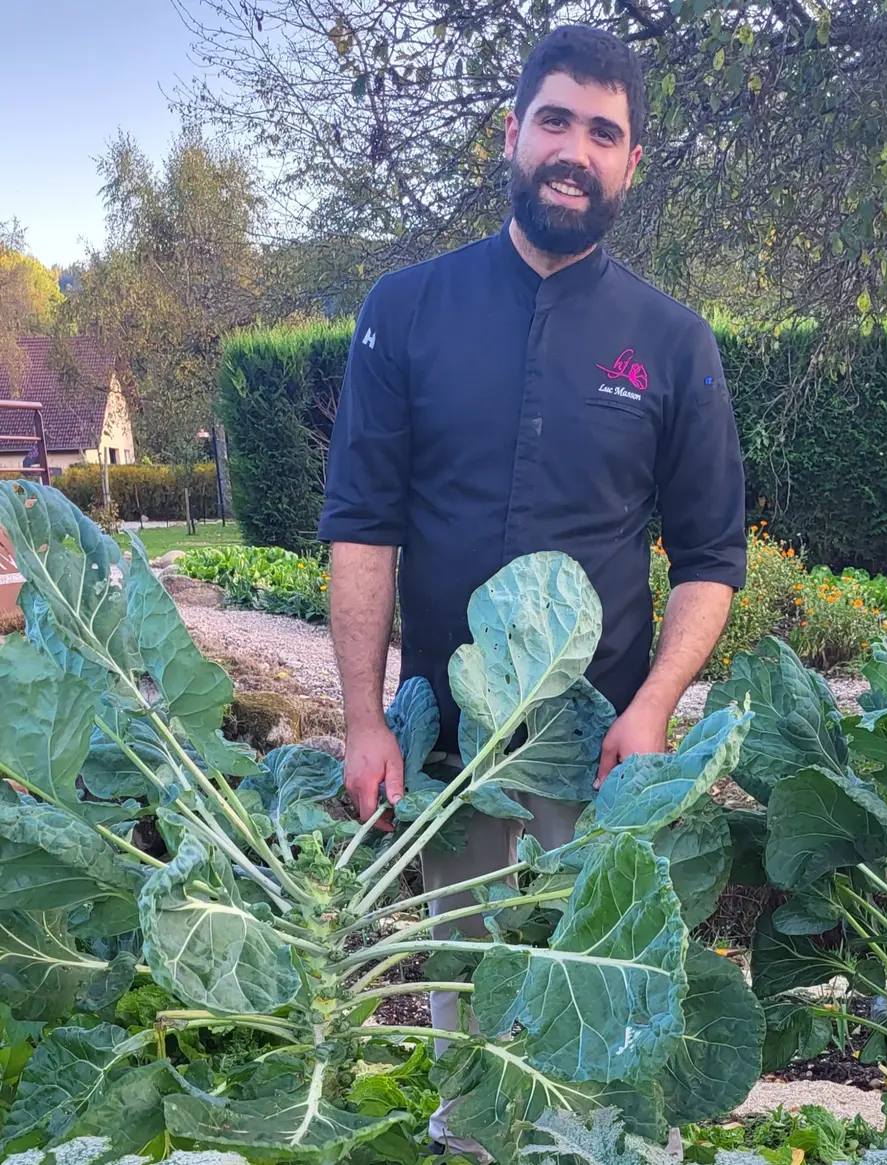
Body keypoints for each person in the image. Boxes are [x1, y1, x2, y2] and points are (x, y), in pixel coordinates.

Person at [318, 22, 746, 1157]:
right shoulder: (404, 309)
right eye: (555, 119)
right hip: (452, 756)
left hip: (596, 756)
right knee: (472, 1024)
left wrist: (653, 706)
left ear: (631, 163)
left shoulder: (673, 340)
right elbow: (361, 530)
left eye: (604, 133)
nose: (575, 149)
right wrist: (364, 719)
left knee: (591, 1024)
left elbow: (712, 559)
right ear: (510, 135)